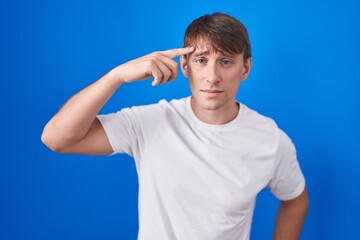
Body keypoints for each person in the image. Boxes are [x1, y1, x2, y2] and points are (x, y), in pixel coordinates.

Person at [42, 12, 308, 240]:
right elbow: (57, 138)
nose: (212, 77)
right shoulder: (150, 122)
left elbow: (295, 199)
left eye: (225, 62)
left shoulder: (269, 139)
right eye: (201, 60)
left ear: (245, 68)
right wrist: (117, 77)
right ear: (185, 66)